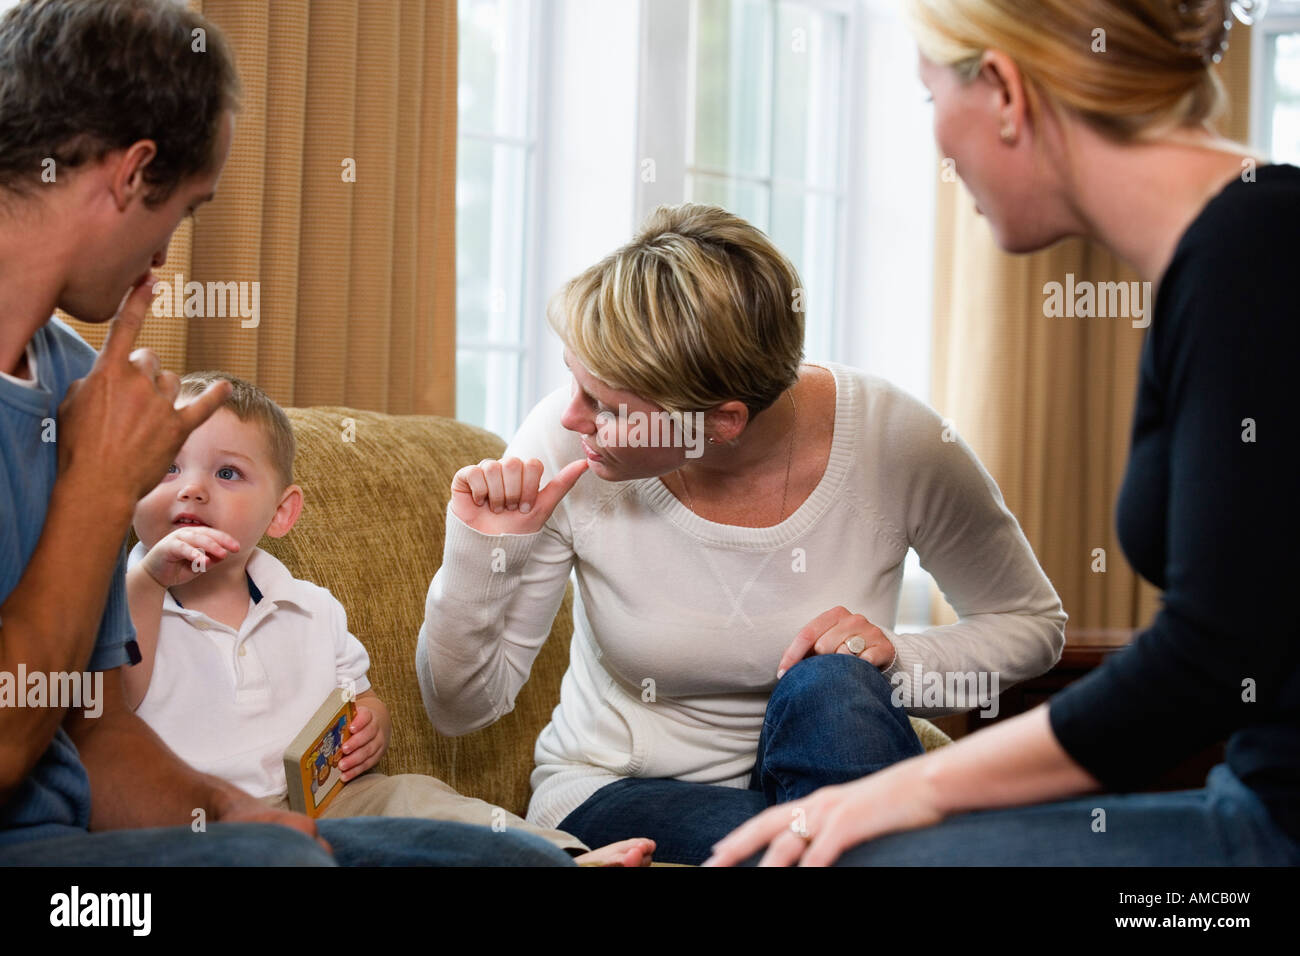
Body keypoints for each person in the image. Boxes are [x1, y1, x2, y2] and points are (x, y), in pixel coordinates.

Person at [705, 0, 1300, 867]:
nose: (938, 143)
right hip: (1250, 805)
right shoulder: (1230, 249)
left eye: (929, 99)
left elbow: (1209, 661)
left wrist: (898, 792)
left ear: (1005, 93)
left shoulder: (1257, 252)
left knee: (858, 860)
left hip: (1266, 838)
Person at [0, 0, 568, 866]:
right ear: (131, 174)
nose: (162, 258)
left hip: (87, 838)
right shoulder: (99, 432)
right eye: (183, 211)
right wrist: (95, 484)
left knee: (501, 860)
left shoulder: (80, 384)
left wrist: (229, 812)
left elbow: (97, 732)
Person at [416, 202, 1068, 865]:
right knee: (849, 847)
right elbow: (462, 710)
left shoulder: (898, 443)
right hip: (619, 790)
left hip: (829, 766)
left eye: (608, 408)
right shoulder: (565, 438)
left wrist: (898, 661)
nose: (573, 415)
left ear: (722, 422)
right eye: (575, 383)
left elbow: (1032, 625)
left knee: (833, 682)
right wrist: (482, 554)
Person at [124, 371, 654, 866]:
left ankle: (559, 856)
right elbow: (112, 702)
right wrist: (148, 581)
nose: (191, 488)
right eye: (168, 467)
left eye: (226, 473)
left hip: (325, 802)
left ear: (281, 512)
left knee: (418, 795)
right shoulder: (120, 603)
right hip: (193, 822)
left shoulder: (311, 606)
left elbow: (356, 697)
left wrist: (373, 724)